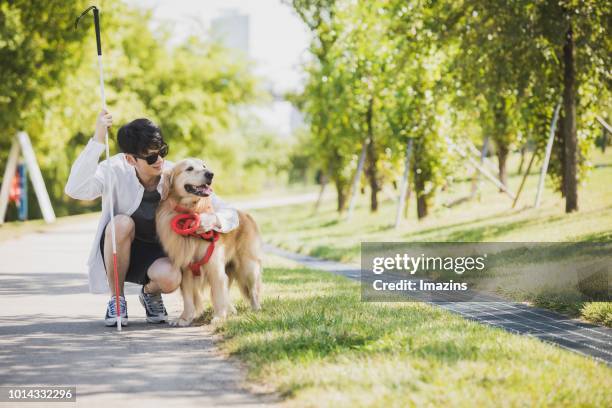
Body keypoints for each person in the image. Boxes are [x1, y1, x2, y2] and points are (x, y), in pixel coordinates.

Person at [65, 110, 239, 326]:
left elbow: (229, 211)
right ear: (130, 159)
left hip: (158, 253)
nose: (160, 161)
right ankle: (117, 300)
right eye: (151, 157)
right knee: (121, 223)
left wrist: (214, 220)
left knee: (171, 278)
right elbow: (76, 189)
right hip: (119, 247)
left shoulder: (175, 173)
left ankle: (149, 293)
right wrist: (98, 138)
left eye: (162, 151)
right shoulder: (114, 169)